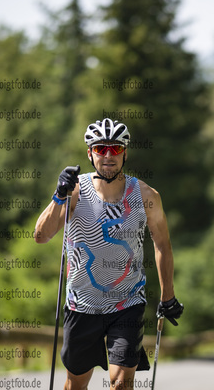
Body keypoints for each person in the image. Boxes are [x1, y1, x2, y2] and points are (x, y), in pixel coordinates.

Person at [35, 118, 184, 390]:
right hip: (82, 303)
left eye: (115, 149)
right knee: (76, 384)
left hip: (127, 302)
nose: (108, 156)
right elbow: (42, 237)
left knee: (121, 383)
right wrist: (58, 195)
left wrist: (168, 295)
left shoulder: (147, 195)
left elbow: (162, 243)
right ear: (89, 153)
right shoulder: (74, 192)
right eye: (101, 149)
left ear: (125, 153)